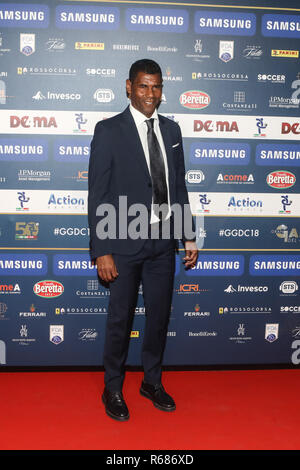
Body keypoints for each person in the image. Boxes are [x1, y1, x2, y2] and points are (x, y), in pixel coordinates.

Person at [88, 59, 198, 421]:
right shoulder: (108, 130)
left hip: (163, 241)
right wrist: (102, 249)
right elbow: (98, 193)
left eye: (157, 87)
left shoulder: (172, 130)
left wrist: (188, 235)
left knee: (158, 319)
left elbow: (178, 185)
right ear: (128, 87)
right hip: (122, 241)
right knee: (120, 319)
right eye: (143, 86)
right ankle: (113, 388)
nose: (151, 94)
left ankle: (152, 381)